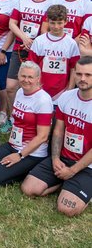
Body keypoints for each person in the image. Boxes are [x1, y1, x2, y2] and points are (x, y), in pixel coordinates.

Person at [22, 56, 92, 217]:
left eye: (88, 75)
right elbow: (58, 131)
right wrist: (55, 159)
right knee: (28, 189)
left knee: (66, 208)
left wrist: (73, 170)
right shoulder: (67, 97)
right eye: (79, 74)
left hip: (87, 166)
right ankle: (64, 183)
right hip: (63, 158)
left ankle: (76, 186)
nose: (82, 79)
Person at [0, 61, 52, 187]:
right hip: (13, 144)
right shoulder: (20, 92)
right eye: (23, 76)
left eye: (30, 77)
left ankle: (27, 171)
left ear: (38, 79)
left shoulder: (43, 100)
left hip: (32, 152)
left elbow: (42, 136)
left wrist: (20, 155)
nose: (26, 80)